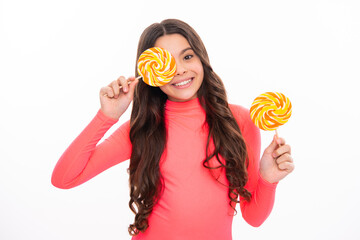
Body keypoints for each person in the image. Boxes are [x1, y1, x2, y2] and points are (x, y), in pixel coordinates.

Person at [51, 19, 294, 240]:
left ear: (201, 59)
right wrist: (107, 116)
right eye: (166, 61)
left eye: (187, 57)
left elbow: (254, 218)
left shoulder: (239, 120)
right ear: (151, 72)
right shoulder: (142, 129)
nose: (179, 70)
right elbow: (64, 179)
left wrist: (268, 179)